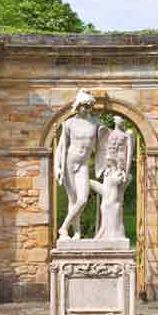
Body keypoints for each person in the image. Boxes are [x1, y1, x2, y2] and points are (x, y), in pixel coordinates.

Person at [54, 90, 107, 240]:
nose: (86, 109)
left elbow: (105, 144)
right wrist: (57, 167)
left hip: (83, 164)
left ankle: (63, 228)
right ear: (78, 106)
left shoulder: (96, 123)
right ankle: (76, 233)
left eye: (89, 106)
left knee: (82, 199)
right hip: (69, 163)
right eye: (83, 106)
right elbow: (61, 146)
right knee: (73, 200)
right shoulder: (69, 123)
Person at [90, 116, 134, 240]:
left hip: (119, 169)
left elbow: (129, 153)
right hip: (110, 170)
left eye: (123, 120)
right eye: (120, 119)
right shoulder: (108, 133)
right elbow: (105, 151)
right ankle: (105, 232)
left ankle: (115, 233)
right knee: (106, 203)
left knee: (115, 202)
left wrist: (126, 171)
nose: (122, 122)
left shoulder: (127, 135)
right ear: (115, 121)